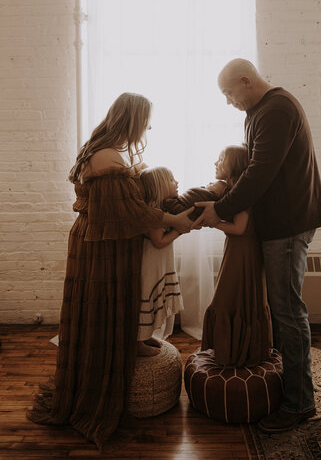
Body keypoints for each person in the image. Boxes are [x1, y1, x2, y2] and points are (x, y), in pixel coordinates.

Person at [26, 92, 194, 452]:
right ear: (131, 119)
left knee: (101, 312)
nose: (148, 127)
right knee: (103, 310)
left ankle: (118, 357)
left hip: (100, 242)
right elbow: (131, 212)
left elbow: (126, 207)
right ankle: (98, 392)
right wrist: (175, 220)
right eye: (145, 120)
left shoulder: (105, 150)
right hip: (102, 249)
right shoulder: (107, 157)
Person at [194, 59, 321, 433]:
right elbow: (251, 168)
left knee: (287, 312)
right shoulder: (260, 113)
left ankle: (299, 403)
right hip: (279, 225)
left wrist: (219, 208)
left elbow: (260, 172)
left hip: (288, 225)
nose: (228, 101)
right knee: (284, 309)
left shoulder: (277, 109)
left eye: (228, 93)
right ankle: (294, 389)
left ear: (245, 80)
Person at [201, 144, 273, 367]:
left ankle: (234, 353)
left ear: (233, 165)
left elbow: (239, 228)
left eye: (221, 159)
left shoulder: (241, 194)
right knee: (235, 298)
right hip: (239, 249)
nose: (216, 163)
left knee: (227, 297)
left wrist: (215, 223)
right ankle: (236, 350)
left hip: (243, 252)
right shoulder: (234, 189)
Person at [137, 167, 184, 356]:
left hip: (160, 264)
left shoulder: (161, 210)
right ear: (160, 186)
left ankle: (146, 335)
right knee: (147, 300)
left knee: (152, 301)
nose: (177, 182)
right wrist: (180, 230)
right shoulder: (154, 213)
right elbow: (159, 241)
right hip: (151, 266)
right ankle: (138, 342)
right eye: (172, 179)